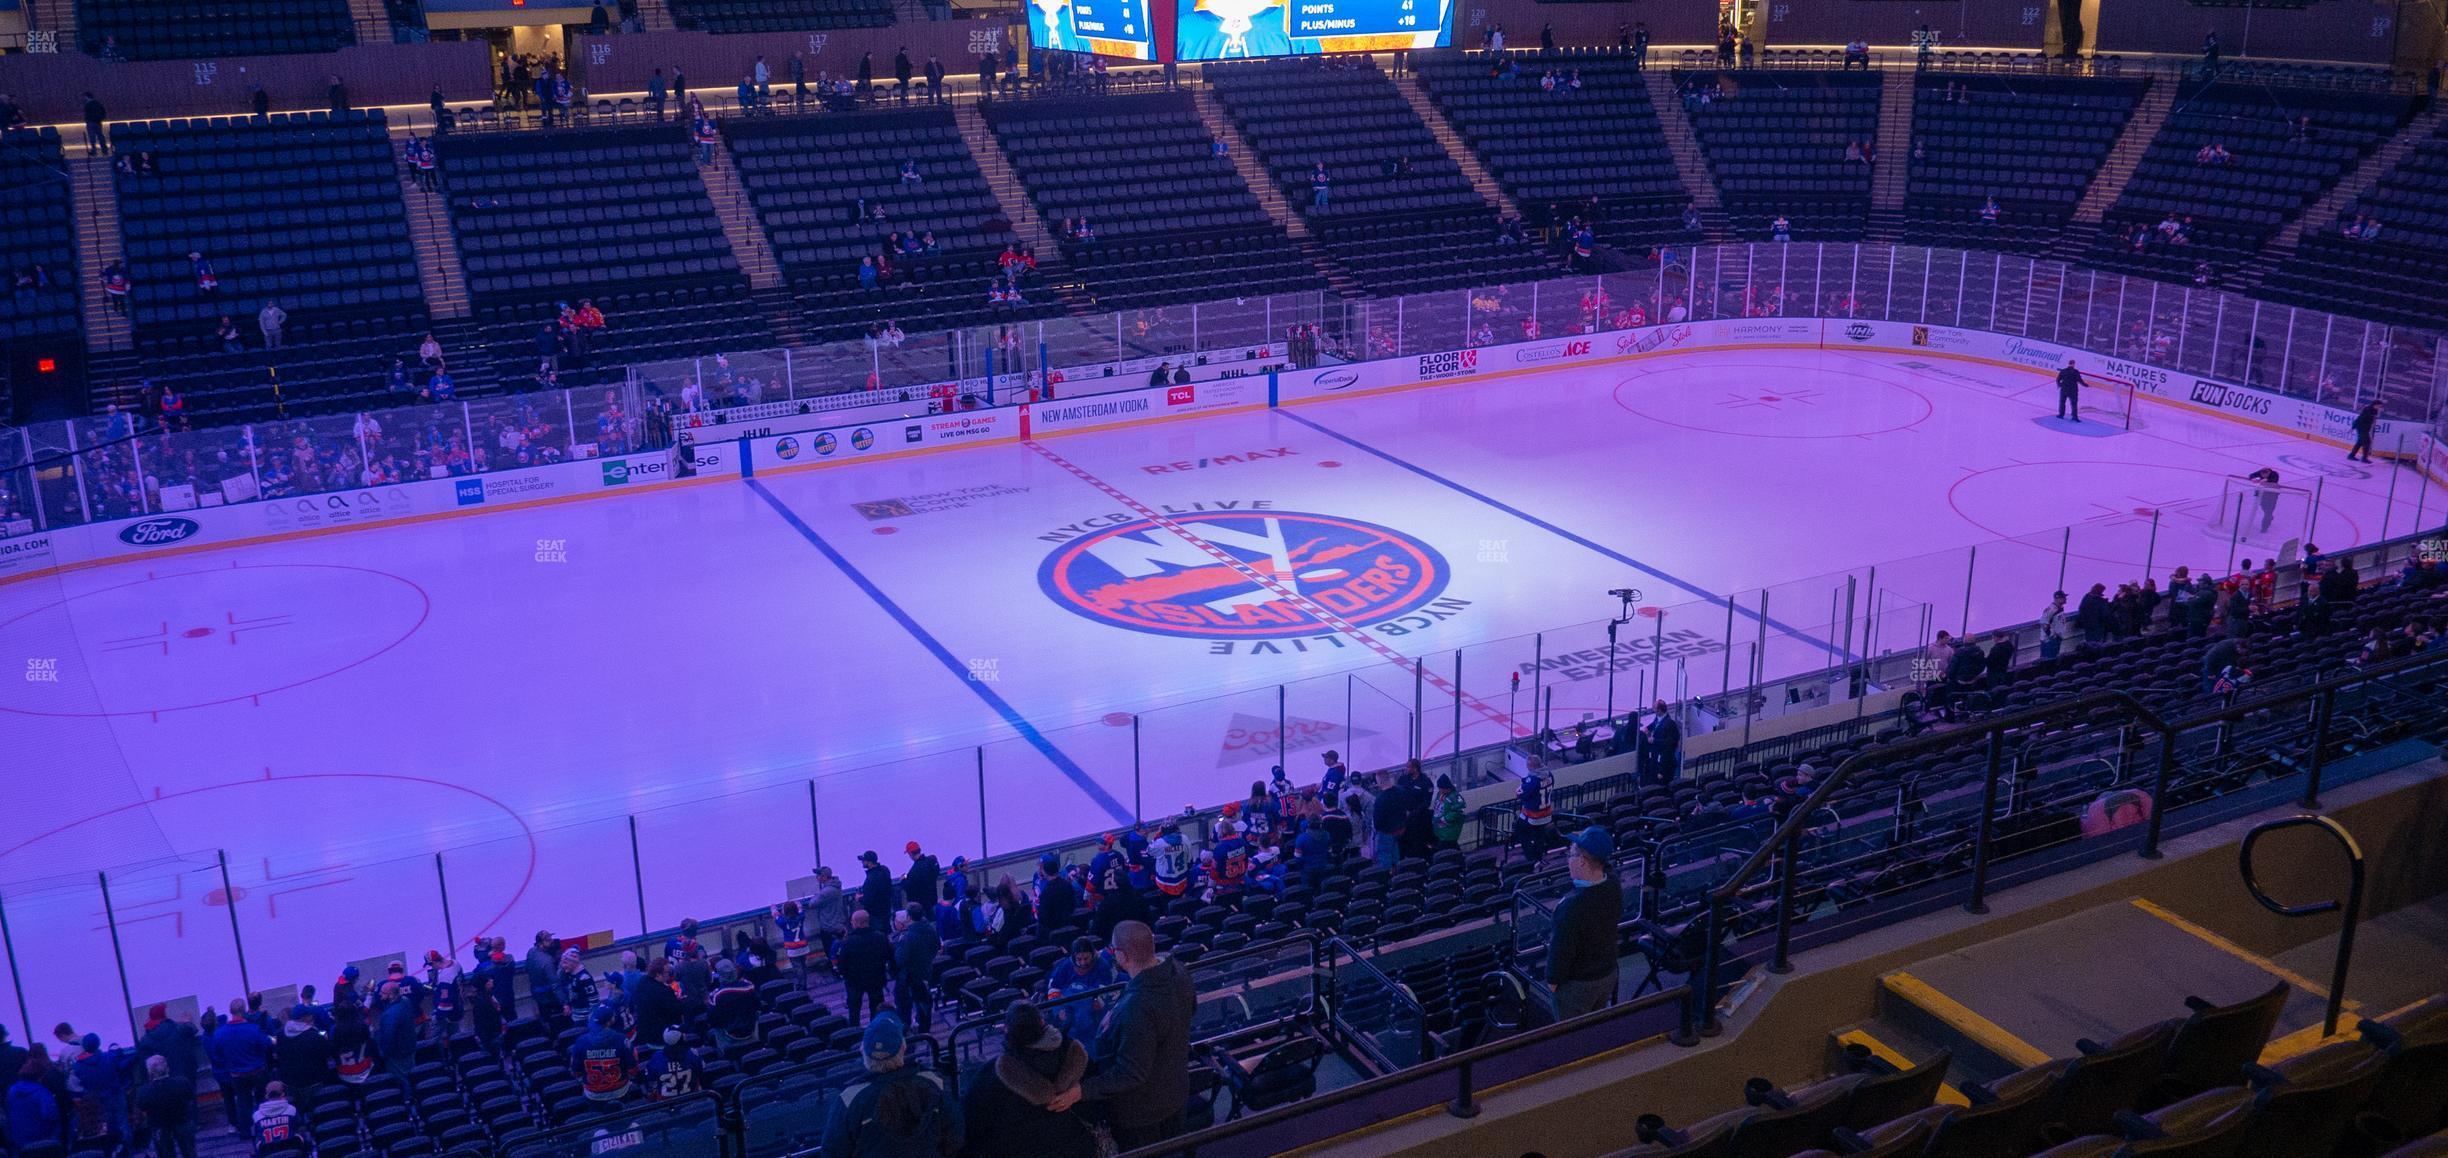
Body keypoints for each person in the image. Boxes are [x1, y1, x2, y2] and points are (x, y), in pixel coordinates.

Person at [1062, 920, 1194, 1149]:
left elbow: (1130, 1072)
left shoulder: (1136, 1007)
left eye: (1113, 949)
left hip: (1143, 1114)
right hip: (1176, 1093)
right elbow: (1189, 1012)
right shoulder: (1179, 972)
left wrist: (1081, 1091)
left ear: (1121, 956)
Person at [960, 1001, 1092, 1158]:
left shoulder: (989, 1077)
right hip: (1075, 1147)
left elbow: (974, 1127)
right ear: (1042, 1023)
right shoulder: (1077, 1058)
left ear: (1006, 1030)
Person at [823, 1012, 961, 1158]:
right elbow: (955, 1135)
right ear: (903, 1047)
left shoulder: (850, 1099)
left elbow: (832, 1151)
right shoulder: (932, 1082)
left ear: (863, 1051)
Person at [1548, 826, 1623, 1018]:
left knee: (1571, 1035)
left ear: (1581, 862)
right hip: (1607, 973)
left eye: (1570, 855)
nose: (1568, 860)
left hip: (1579, 985)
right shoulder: (1613, 885)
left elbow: (1562, 949)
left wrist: (1553, 980)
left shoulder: (1571, 906)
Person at [208, 998, 272, 1133]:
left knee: (243, 1102)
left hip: (236, 1074)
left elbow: (216, 1054)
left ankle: (245, 1131)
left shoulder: (220, 1033)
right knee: (262, 1100)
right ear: (244, 1010)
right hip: (257, 1071)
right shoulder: (254, 1029)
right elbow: (266, 1045)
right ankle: (265, 1128)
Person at [136, 1054, 198, 1158]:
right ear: (167, 1068)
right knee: (188, 1150)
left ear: (150, 1073)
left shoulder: (144, 1091)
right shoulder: (182, 1082)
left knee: (165, 1153)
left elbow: (141, 1106)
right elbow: (190, 1097)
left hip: (159, 1125)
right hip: (182, 1120)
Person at [839, 909, 892, 1025]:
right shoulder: (880, 937)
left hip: (854, 981)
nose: (851, 923)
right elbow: (889, 956)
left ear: (858, 923)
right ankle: (876, 1027)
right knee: (877, 1007)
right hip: (876, 978)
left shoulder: (849, 942)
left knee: (854, 1009)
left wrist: (845, 975)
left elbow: (842, 964)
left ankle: (854, 1032)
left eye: (852, 921)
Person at [894, 903, 941, 1032]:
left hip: (912, 974)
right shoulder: (930, 928)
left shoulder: (908, 936)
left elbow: (900, 959)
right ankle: (924, 1026)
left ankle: (915, 1029)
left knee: (912, 1002)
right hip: (926, 968)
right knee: (923, 1000)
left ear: (908, 917)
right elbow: (936, 945)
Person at [572, 1008, 634, 1103]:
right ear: (611, 1021)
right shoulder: (622, 1039)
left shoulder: (581, 1041)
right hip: (620, 1090)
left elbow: (576, 1071)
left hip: (593, 1093)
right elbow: (633, 1069)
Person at [1639, 701, 1682, 786]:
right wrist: (1646, 728)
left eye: (1654, 708)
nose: (1653, 710)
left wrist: (1654, 741)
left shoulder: (1670, 724)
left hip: (1664, 759)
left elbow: (1671, 742)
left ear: (1659, 710)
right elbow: (1654, 725)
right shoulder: (1658, 718)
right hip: (1656, 756)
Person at [253, 1080, 305, 1150]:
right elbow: (301, 1129)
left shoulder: (257, 1115)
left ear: (266, 1096)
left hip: (268, 1154)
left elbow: (255, 1137)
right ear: (283, 1094)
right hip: (292, 1152)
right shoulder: (292, 1110)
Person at [82, 92, 108, 156]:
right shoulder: (98, 103)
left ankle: (94, 151)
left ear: (87, 97)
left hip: (91, 122)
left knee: (92, 137)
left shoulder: (87, 104)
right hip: (98, 122)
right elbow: (103, 111)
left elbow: (87, 114)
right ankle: (104, 150)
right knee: (100, 136)